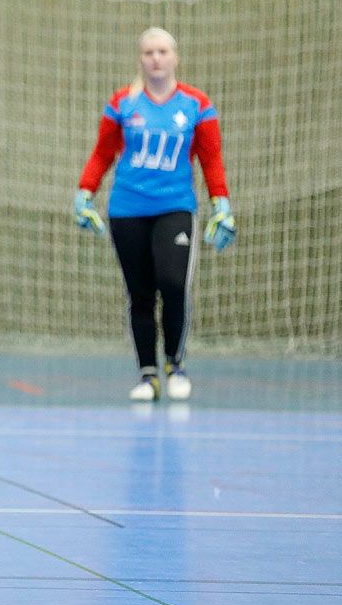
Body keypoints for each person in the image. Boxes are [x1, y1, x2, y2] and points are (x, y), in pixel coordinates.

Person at [74, 26, 236, 402]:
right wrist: (84, 195)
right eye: (149, 53)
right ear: (140, 59)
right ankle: (148, 376)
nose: (156, 58)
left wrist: (222, 205)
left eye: (163, 51)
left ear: (175, 57)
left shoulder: (196, 104)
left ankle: (174, 364)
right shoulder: (122, 104)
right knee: (140, 294)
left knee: (174, 284)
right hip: (127, 209)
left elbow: (212, 160)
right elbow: (102, 154)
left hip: (175, 208)